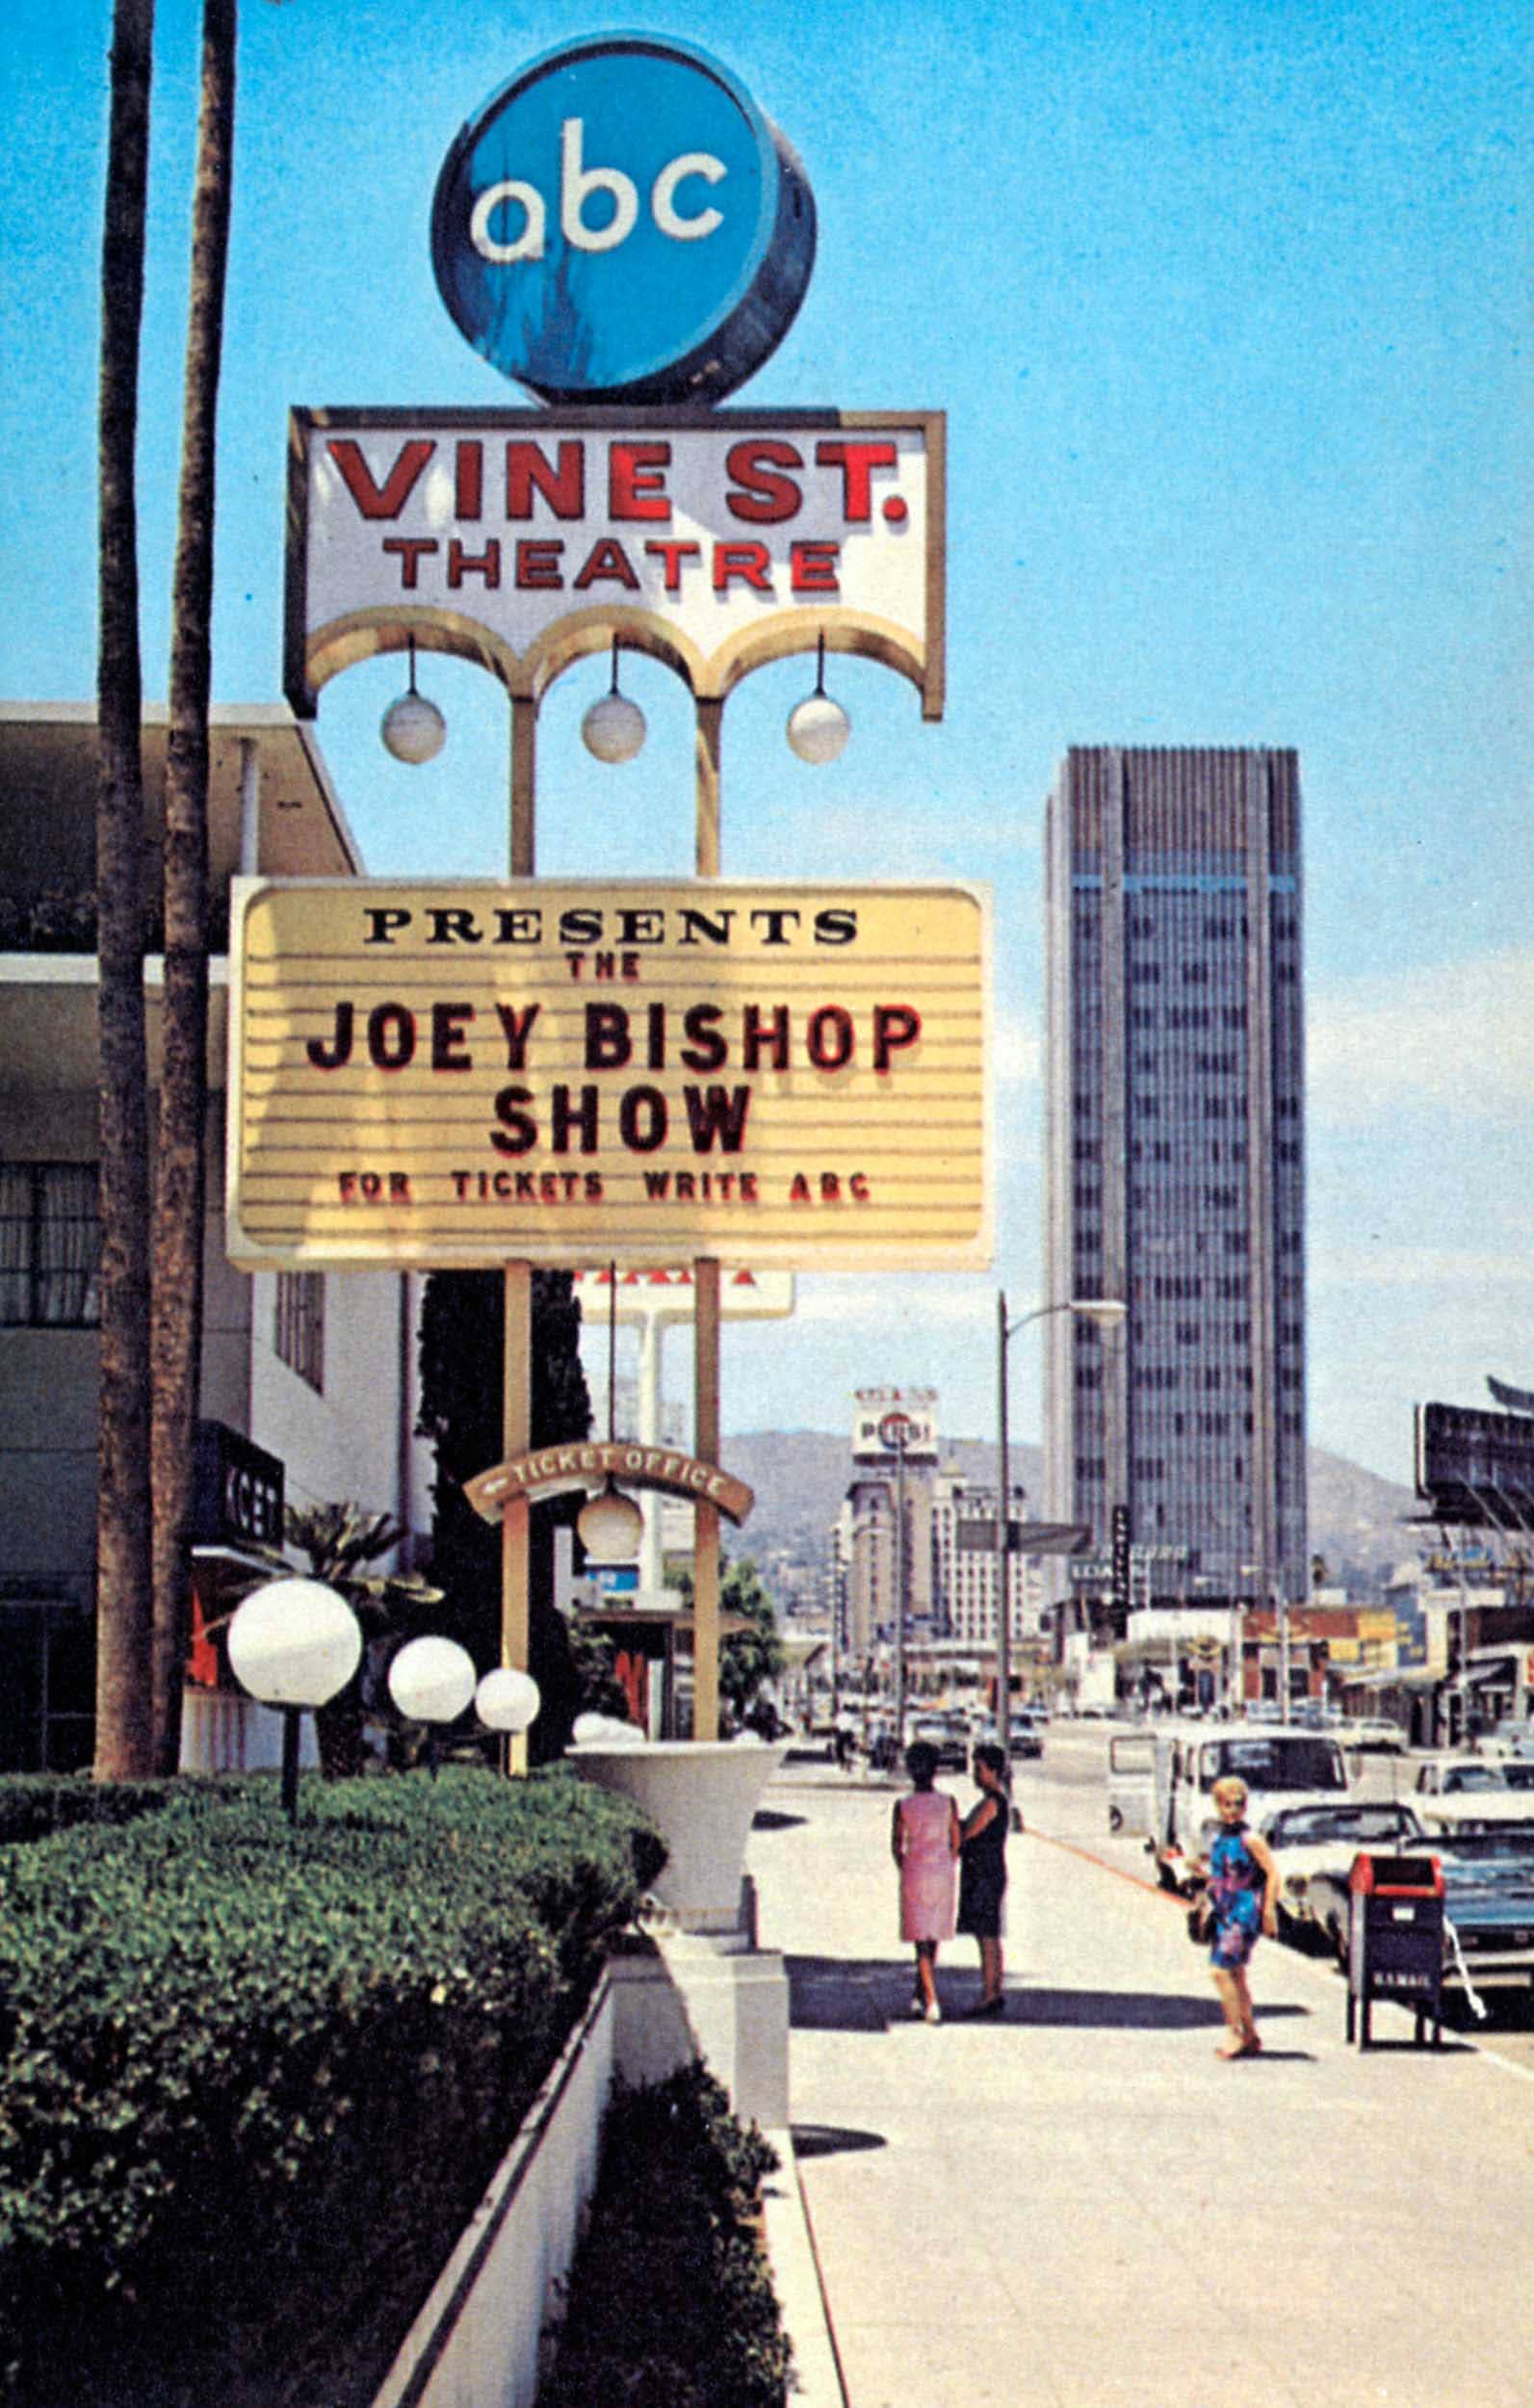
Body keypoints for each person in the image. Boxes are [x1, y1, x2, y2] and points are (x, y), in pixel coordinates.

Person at [1200, 1774, 1278, 2058]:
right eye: (1227, 1804)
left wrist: (1268, 1910)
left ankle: (1235, 2033)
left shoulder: (1250, 1839)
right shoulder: (1222, 1837)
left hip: (1243, 1912)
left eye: (1238, 1804)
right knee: (1236, 1974)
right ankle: (1250, 2033)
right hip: (1225, 1910)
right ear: (1218, 1806)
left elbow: (1272, 1873)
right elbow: (1221, 1874)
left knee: (1220, 1970)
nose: (1233, 1810)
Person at [891, 1741, 959, 2023]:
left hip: (915, 1872)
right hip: (942, 1871)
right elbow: (956, 1840)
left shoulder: (903, 1805)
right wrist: (946, 1860)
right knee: (933, 1936)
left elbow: (897, 1845)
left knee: (920, 1939)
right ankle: (920, 1993)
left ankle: (931, 2000)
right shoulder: (948, 1803)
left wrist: (906, 1866)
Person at [957, 1741, 1012, 2015]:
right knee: (987, 1934)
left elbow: (968, 1831)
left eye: (979, 1769)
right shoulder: (995, 1800)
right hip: (988, 1872)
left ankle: (990, 1993)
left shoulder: (992, 1802)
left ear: (993, 1771)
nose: (975, 1775)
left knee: (987, 1935)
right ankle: (993, 1989)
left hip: (985, 1874)